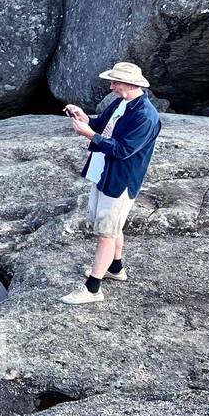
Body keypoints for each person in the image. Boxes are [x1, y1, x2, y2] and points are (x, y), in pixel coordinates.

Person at [60, 62, 162, 305]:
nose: (111, 85)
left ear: (131, 84)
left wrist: (88, 134)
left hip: (120, 179)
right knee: (110, 226)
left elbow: (124, 149)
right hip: (104, 172)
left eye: (115, 82)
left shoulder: (145, 116)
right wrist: (84, 117)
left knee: (106, 232)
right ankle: (115, 268)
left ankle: (93, 289)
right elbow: (102, 125)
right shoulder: (121, 103)